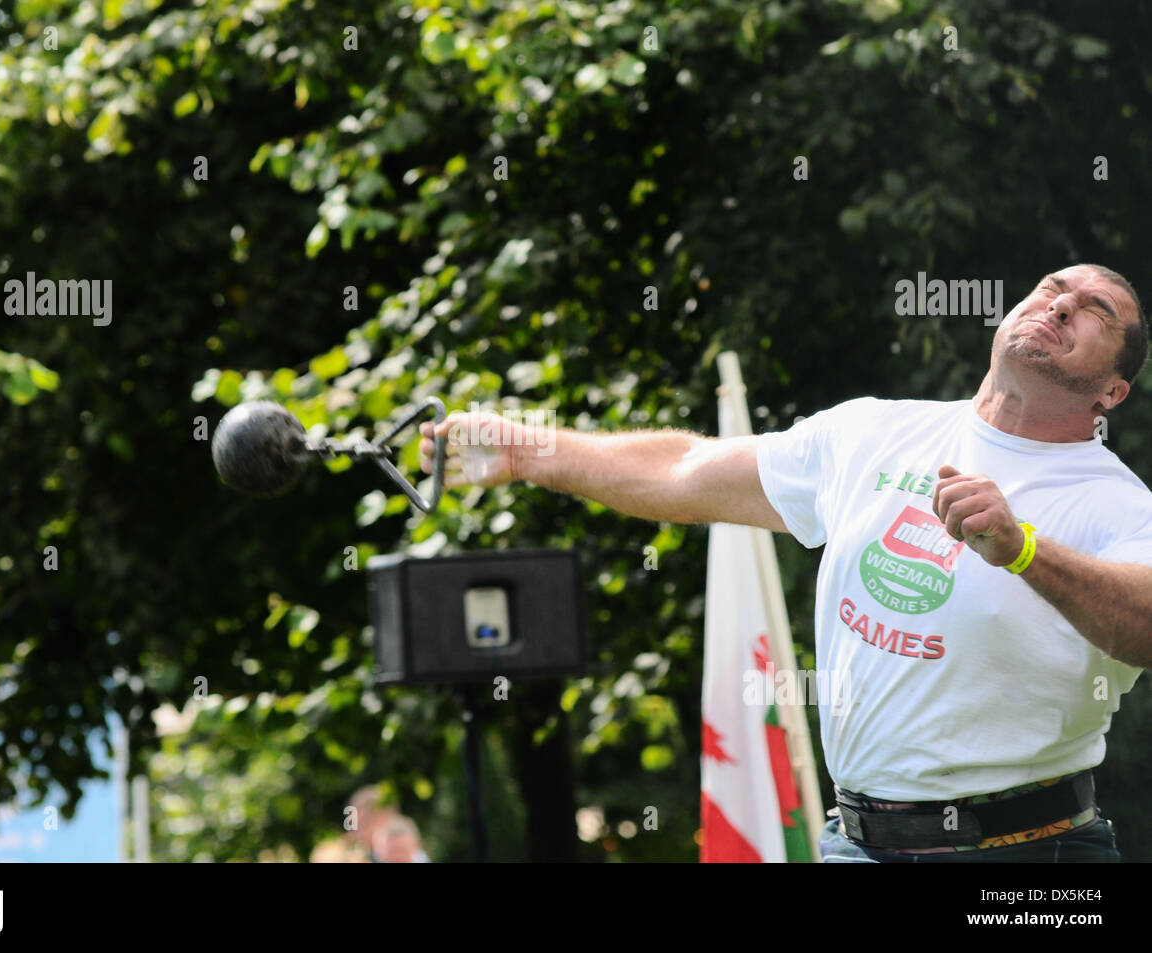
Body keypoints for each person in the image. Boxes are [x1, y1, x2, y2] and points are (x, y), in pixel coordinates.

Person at [420, 263, 1151, 863]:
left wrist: (1023, 549)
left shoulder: (1113, 502)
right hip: (856, 845)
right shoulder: (873, 431)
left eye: (1095, 310)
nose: (1060, 305)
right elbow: (685, 467)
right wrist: (525, 449)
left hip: (1029, 858)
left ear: (1113, 391)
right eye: (1052, 287)